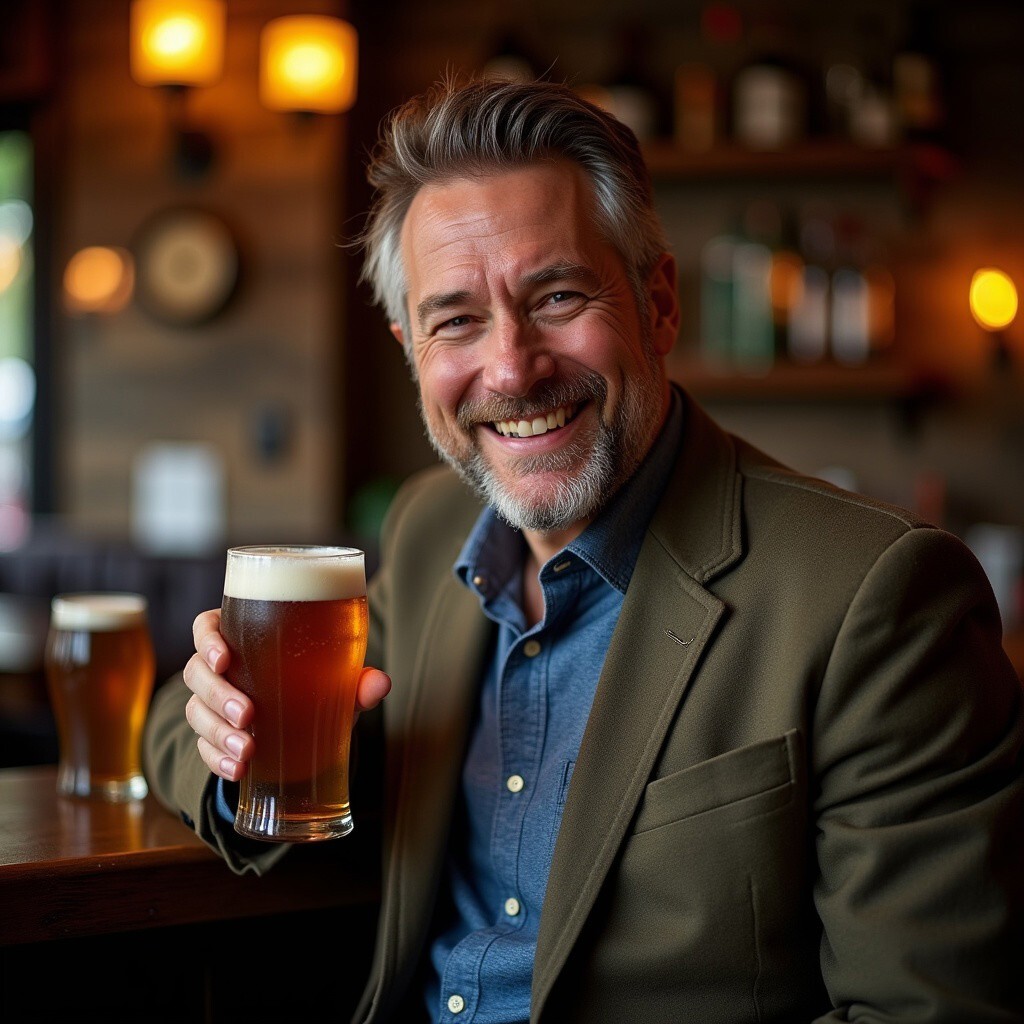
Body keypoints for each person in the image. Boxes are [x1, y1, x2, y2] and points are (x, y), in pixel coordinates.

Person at [143, 75, 1024, 1023]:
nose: (512, 367)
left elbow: (929, 1012)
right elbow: (173, 729)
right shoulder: (427, 525)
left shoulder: (878, 592)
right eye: (457, 321)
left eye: (557, 296)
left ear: (659, 303)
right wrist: (241, 742)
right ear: (411, 349)